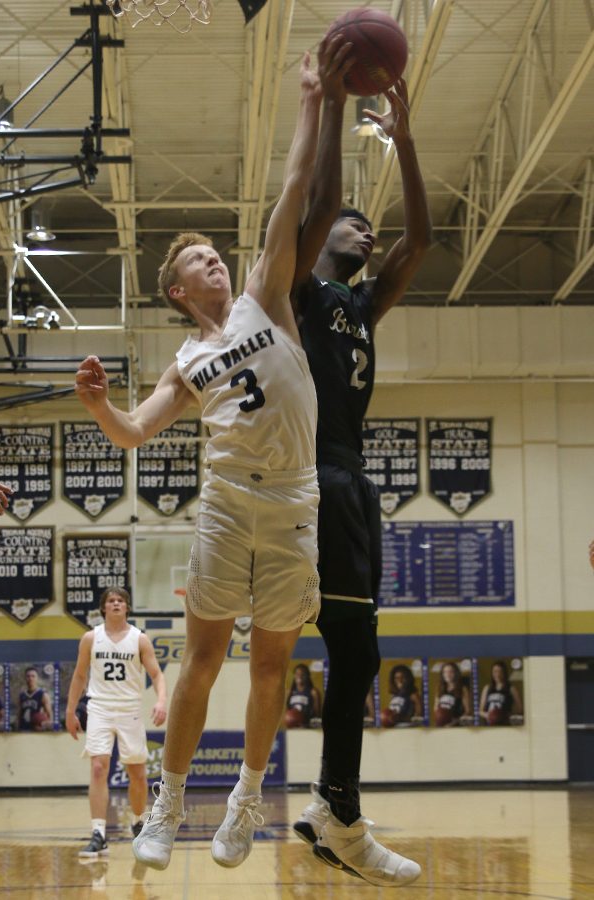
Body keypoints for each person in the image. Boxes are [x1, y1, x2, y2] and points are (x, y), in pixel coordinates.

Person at [74, 44, 340, 872]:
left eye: (213, 252)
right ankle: (169, 802)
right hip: (228, 501)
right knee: (201, 660)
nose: (212, 259)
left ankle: (246, 799)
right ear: (177, 292)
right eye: (196, 260)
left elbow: (294, 191)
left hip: (295, 498)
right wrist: (98, 407)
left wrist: (313, 98)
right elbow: (134, 433)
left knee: (272, 665)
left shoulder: (268, 293)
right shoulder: (187, 362)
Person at [289, 64, 430, 886]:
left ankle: (333, 802)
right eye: (355, 223)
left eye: (367, 227)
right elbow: (318, 201)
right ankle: (322, 803)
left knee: (359, 653)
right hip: (314, 477)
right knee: (333, 646)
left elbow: (422, 243)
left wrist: (406, 144)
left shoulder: (362, 304)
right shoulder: (305, 290)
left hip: (352, 481)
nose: (366, 231)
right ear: (325, 236)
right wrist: (335, 107)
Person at [65, 587, 167, 858]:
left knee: (137, 773)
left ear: (127, 607)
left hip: (130, 709)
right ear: (104, 608)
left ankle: (137, 823)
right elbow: (78, 676)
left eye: (121, 600)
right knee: (98, 767)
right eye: (111, 600)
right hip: (99, 707)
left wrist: (161, 701)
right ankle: (98, 833)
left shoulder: (139, 639)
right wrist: (70, 710)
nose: (116, 603)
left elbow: (157, 674)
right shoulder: (90, 638)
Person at [479, 660, 523, 726]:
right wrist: (489, 715)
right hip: (489, 724)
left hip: (505, 724)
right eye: (495, 672)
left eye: (500, 671)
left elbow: (520, 709)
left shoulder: (511, 688)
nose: (497, 674)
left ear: (504, 673)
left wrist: (505, 715)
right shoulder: (487, 688)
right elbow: (480, 711)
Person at [433, 661, 471, 726]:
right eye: (445, 672)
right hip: (441, 725)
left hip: (456, 725)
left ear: (456, 673)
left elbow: (467, 711)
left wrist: (454, 722)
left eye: (451, 672)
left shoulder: (462, 689)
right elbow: (435, 708)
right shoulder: (440, 688)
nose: (448, 674)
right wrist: (440, 717)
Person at [18, 666, 52, 731]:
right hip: (23, 728)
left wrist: (43, 728)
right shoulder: (21, 695)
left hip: (36, 730)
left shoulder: (43, 694)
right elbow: (19, 715)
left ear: (37, 678)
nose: (30, 678)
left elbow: (49, 716)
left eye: (33, 676)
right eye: (28, 676)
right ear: (25, 678)